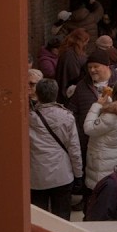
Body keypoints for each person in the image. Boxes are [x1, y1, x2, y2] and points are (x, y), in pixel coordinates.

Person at [29, 76, 82, 220]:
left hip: (37, 176)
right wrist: (78, 174)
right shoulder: (67, 117)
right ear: (56, 93)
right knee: (62, 218)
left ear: (37, 94)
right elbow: (74, 149)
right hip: (62, 175)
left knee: (39, 220)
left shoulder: (29, 119)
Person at [69, 48, 117, 170]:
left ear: (107, 66)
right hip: (88, 144)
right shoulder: (82, 86)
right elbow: (73, 111)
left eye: (96, 66)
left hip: (113, 146)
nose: (92, 70)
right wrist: (80, 133)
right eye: (89, 67)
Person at [84, 79, 117, 189]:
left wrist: (97, 105)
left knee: (99, 191)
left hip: (101, 163)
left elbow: (88, 128)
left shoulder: (111, 116)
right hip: (114, 158)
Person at [53, 28, 90, 101]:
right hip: (68, 92)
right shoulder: (70, 55)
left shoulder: (74, 52)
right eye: (85, 42)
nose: (86, 44)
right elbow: (72, 75)